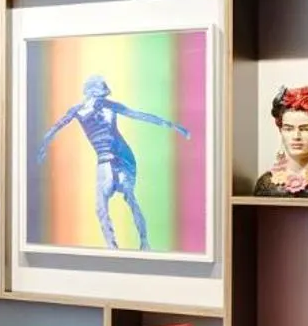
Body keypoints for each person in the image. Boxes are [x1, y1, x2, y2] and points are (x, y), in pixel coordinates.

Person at [35, 73, 192, 249]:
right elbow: (56, 127)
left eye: (102, 95)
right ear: (91, 93)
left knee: (129, 196)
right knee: (101, 207)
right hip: (103, 160)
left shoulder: (110, 107)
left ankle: (144, 241)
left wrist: (173, 126)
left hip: (122, 157)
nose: (101, 99)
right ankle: (113, 247)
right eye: (99, 94)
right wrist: (43, 147)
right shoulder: (77, 110)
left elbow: (139, 115)